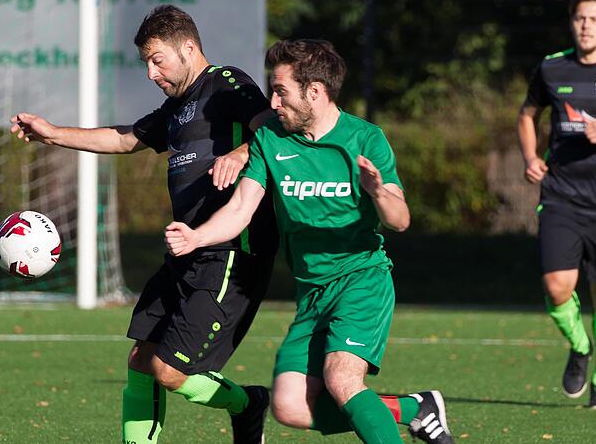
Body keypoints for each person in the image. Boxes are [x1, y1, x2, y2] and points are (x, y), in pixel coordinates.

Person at [10, 5, 278, 444]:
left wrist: (241, 153)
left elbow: (271, 128)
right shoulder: (177, 107)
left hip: (231, 250)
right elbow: (123, 138)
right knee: (141, 360)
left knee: (170, 372)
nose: (151, 73)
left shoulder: (227, 84)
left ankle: (248, 404)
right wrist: (52, 133)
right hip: (185, 250)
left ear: (188, 48)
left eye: (158, 60)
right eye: (146, 63)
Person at [165, 39, 454, 444]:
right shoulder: (271, 140)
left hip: (362, 280)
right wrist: (197, 236)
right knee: (289, 407)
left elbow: (400, 219)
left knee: (341, 377)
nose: (272, 101)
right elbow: (240, 210)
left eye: (281, 90)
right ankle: (413, 408)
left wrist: (378, 192)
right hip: (313, 292)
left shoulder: (365, 139)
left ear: (314, 92)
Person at [517, 0, 596, 410]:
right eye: (579, 18)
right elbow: (527, 114)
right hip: (561, 196)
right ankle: (580, 346)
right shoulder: (552, 67)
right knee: (556, 286)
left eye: (594, 18)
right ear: (572, 24)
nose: (585, 25)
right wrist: (531, 157)